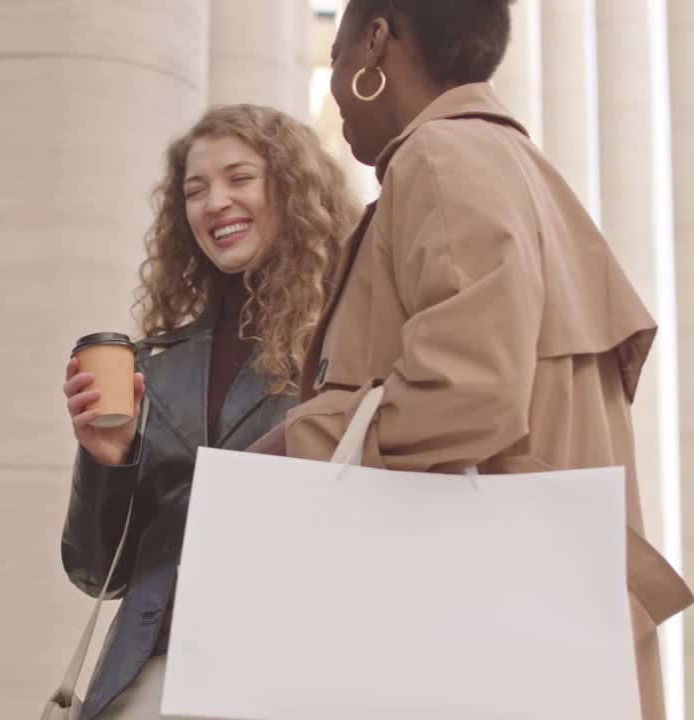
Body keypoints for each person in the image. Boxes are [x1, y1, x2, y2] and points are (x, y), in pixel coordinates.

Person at [249, 1, 693, 717]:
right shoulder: (515, 167)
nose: (333, 81)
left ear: (375, 43)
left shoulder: (443, 156)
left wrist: (297, 441)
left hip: (488, 628)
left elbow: (469, 389)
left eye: (336, 57)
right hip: (548, 622)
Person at [60, 104, 360, 719]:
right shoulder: (156, 365)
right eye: (195, 190)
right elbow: (98, 575)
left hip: (293, 670)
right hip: (153, 677)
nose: (215, 202)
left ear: (292, 190)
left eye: (239, 178)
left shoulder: (344, 349)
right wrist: (106, 463)